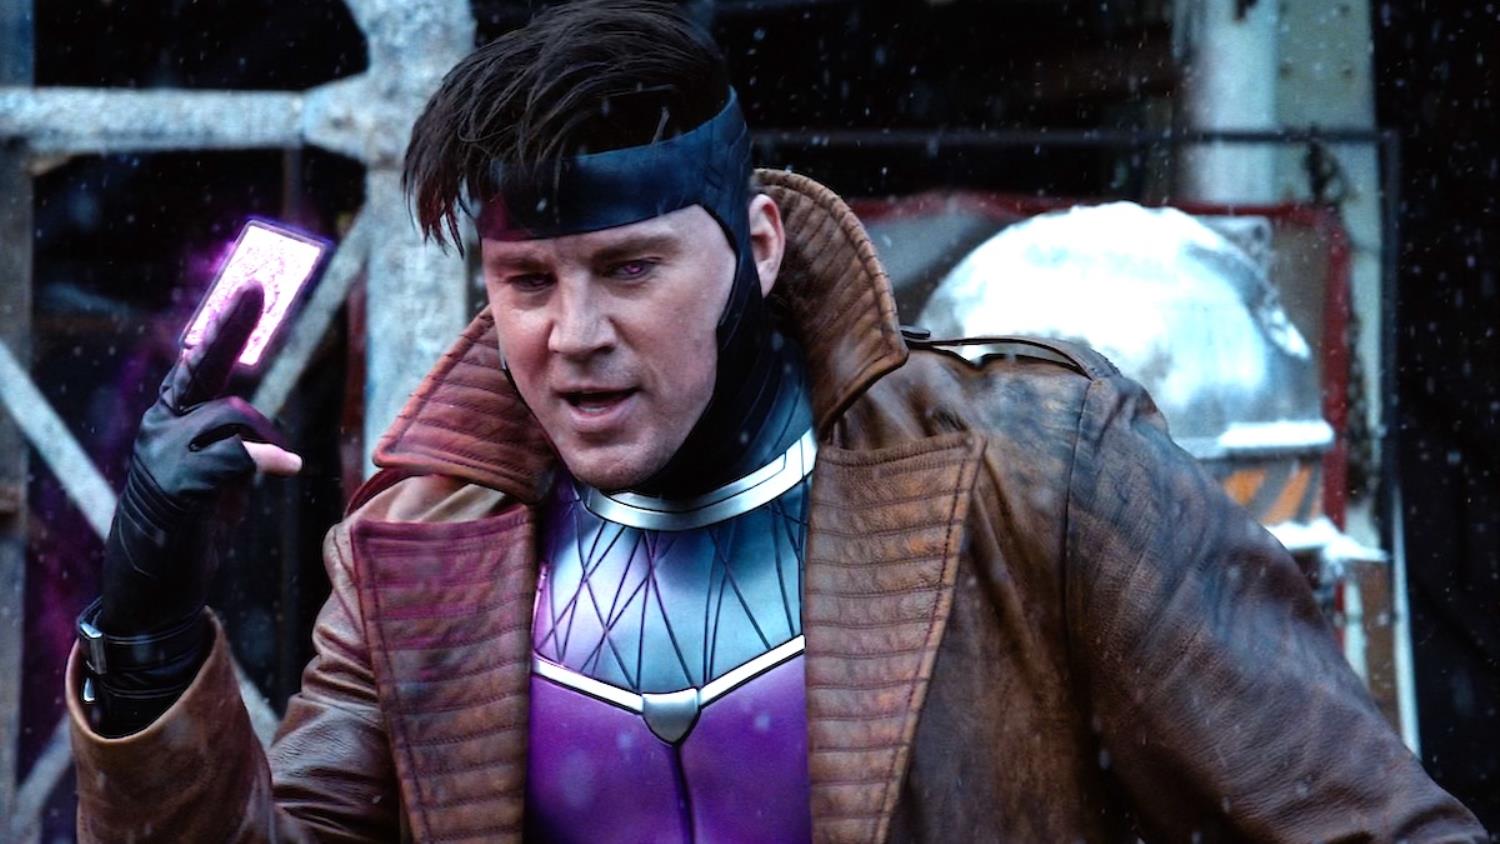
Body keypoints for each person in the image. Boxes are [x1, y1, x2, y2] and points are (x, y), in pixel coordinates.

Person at [65, 1, 1486, 841]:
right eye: (527, 282)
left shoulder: (1034, 472)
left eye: (630, 268)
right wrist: (144, 644)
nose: (574, 333)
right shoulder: (425, 544)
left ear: (755, 245)